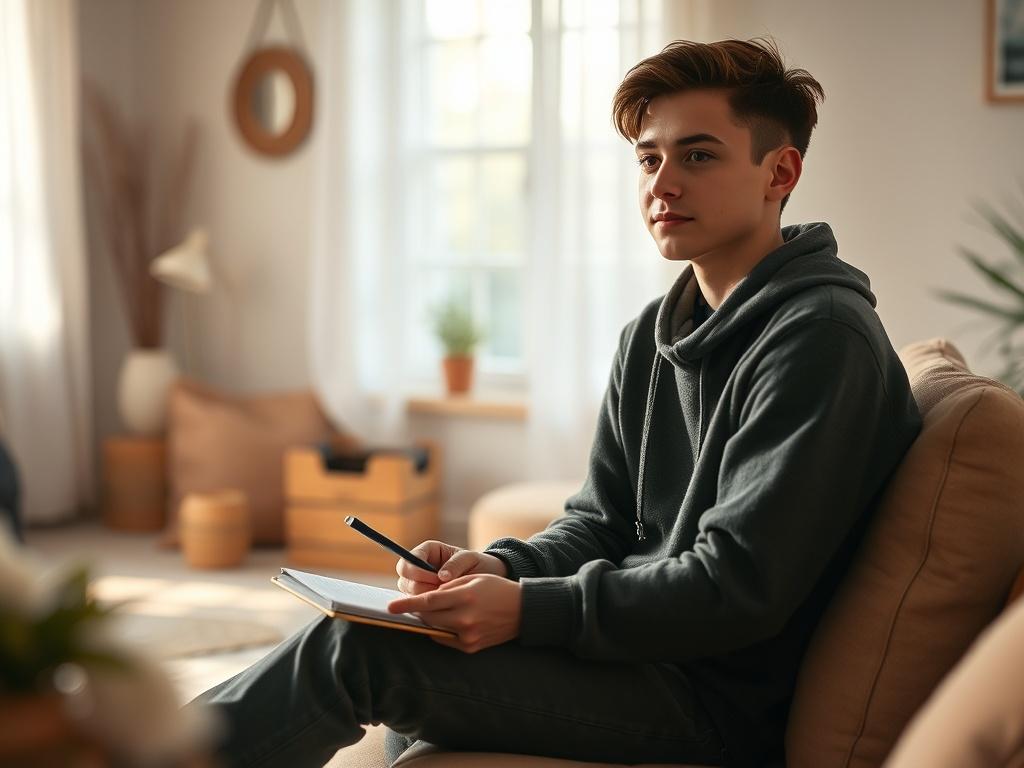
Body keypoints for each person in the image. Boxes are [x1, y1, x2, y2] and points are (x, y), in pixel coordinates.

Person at [193, 38, 922, 768]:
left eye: (697, 156)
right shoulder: (653, 335)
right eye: (648, 159)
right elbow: (600, 521)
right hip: (636, 663)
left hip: (712, 704)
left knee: (363, 649)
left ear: (780, 172)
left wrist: (530, 611)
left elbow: (735, 588)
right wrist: (500, 569)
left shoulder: (821, 339)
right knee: (409, 636)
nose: (662, 183)